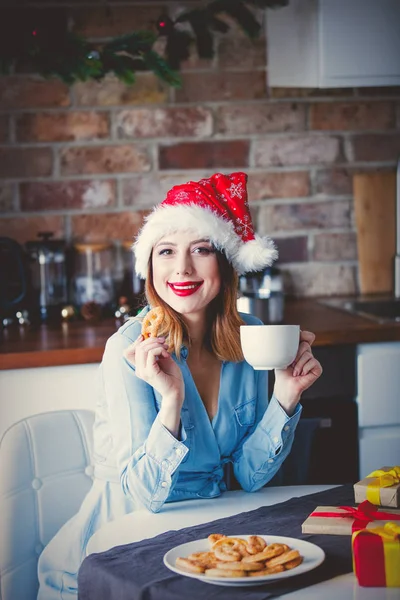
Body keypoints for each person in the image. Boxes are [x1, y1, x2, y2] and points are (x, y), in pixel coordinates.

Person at [37, 171, 322, 599]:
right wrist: (171, 400)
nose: (182, 268)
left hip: (205, 540)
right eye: (166, 251)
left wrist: (286, 396)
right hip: (116, 555)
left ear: (225, 264)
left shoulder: (253, 339)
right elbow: (146, 495)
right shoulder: (130, 349)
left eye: (201, 250)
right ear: (150, 265)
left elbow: (247, 477)